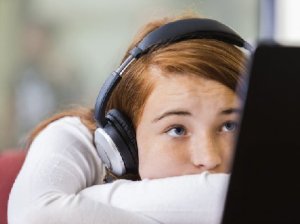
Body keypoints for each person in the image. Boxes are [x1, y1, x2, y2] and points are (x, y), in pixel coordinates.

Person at [8, 14, 249, 224]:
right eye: (177, 129)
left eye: (230, 126)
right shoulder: (76, 137)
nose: (208, 158)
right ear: (127, 140)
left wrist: (92, 200)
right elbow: (36, 216)